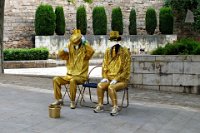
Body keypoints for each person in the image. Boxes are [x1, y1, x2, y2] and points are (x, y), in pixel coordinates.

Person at [51, 29, 95, 109]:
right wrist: (63, 50)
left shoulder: (85, 47)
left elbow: (91, 52)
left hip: (81, 76)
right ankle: (59, 99)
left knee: (72, 81)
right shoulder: (70, 46)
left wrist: (85, 43)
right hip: (69, 75)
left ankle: (72, 101)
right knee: (56, 79)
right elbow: (62, 56)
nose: (74, 44)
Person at [94, 31, 131, 116]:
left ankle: (115, 106)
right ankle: (100, 105)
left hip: (121, 80)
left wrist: (116, 79)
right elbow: (104, 66)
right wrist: (105, 76)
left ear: (118, 40)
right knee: (100, 86)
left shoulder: (125, 52)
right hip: (109, 78)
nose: (113, 42)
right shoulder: (108, 51)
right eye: (111, 40)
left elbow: (126, 70)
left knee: (111, 87)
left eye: (114, 40)